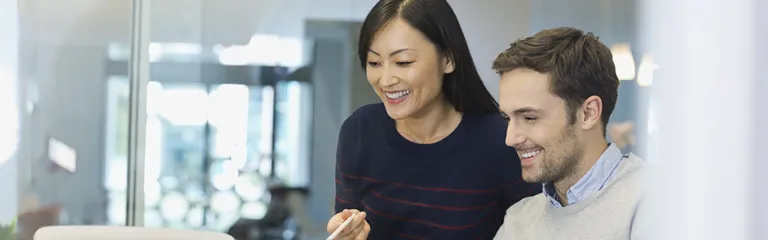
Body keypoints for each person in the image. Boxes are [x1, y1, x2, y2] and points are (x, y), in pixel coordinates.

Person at [326, 0, 538, 239]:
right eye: (374, 63)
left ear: (448, 59)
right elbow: (348, 223)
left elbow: (537, 229)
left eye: (403, 62)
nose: (385, 80)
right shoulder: (359, 131)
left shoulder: (502, 139)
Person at [492, 27, 649, 239]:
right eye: (507, 119)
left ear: (588, 113)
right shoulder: (518, 222)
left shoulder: (658, 202)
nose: (510, 139)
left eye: (529, 118)